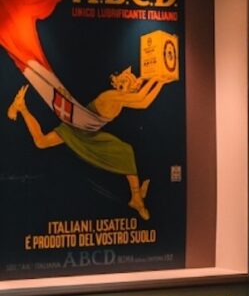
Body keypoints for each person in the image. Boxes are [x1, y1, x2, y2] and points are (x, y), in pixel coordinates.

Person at [7, 67, 167, 220]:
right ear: (117, 83)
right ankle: (22, 107)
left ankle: (136, 198)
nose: (123, 85)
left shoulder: (122, 99)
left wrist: (158, 80)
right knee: (41, 142)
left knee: (125, 151)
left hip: (90, 134)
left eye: (128, 83)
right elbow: (142, 100)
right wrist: (159, 80)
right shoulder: (112, 96)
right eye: (122, 81)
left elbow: (142, 99)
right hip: (76, 128)